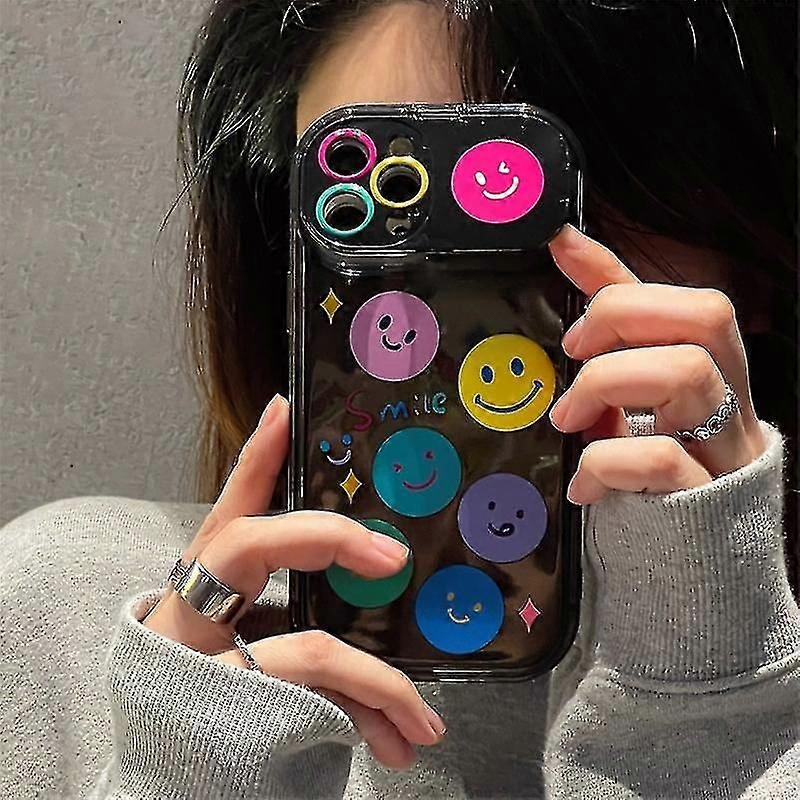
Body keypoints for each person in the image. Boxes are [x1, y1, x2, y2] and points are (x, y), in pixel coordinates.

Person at [2, 1, 798, 798]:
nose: (461, 318)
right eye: (380, 223)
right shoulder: (66, 614)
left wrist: (712, 693)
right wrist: (184, 768)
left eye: (542, 216)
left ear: (749, 262)